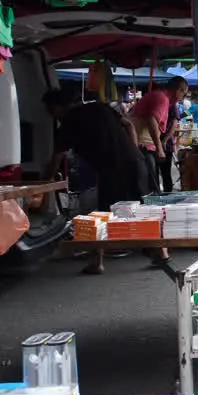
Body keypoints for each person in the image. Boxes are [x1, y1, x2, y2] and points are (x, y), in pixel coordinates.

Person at [43, 88, 147, 274]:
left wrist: (45, 181)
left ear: (57, 107)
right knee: (143, 206)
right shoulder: (101, 107)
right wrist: (132, 150)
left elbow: (56, 159)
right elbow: (129, 126)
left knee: (102, 214)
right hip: (135, 160)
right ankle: (161, 253)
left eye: (50, 111)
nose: (51, 115)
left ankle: (97, 262)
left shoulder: (68, 123)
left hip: (111, 168)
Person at [130, 76, 188, 195]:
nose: (183, 97)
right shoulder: (162, 98)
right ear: (178, 90)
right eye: (184, 93)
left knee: (151, 184)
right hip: (143, 145)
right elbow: (152, 119)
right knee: (149, 188)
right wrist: (160, 147)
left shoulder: (160, 97)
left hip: (142, 145)